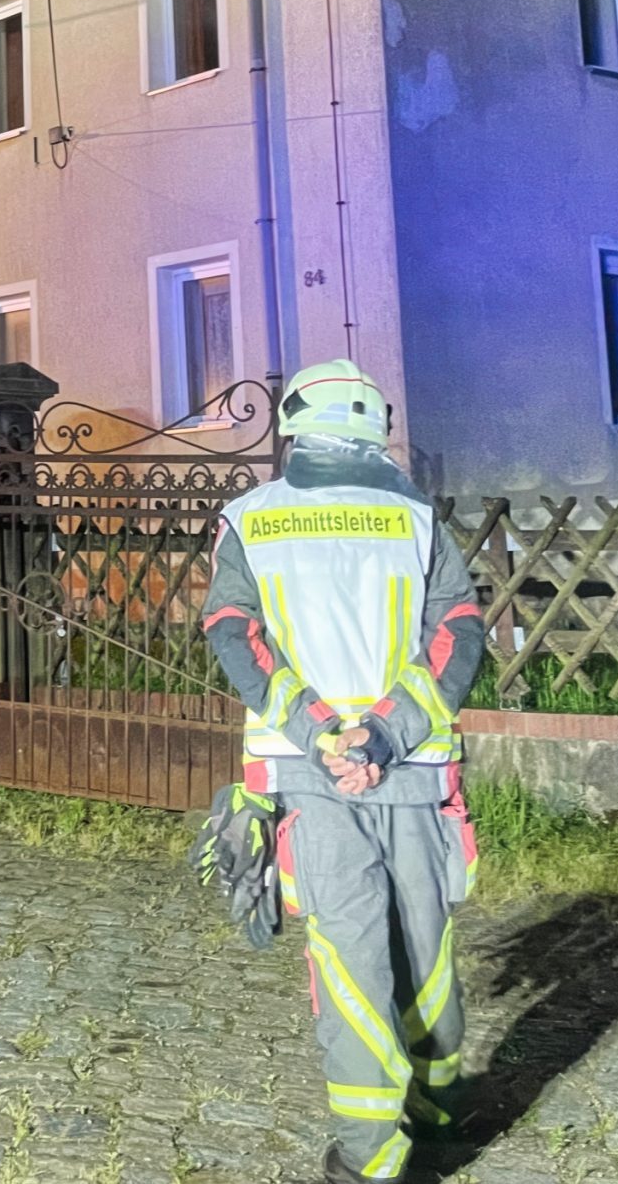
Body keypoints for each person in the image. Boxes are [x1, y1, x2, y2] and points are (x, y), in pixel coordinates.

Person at [199, 360, 485, 1184]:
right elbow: (459, 631)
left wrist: (321, 730)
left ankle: (371, 1157)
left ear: (292, 426)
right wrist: (383, 735)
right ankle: (440, 1109)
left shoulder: (251, 519)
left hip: (310, 776)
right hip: (413, 770)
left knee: (349, 956)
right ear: (376, 430)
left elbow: (234, 630)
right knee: (426, 945)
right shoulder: (418, 518)